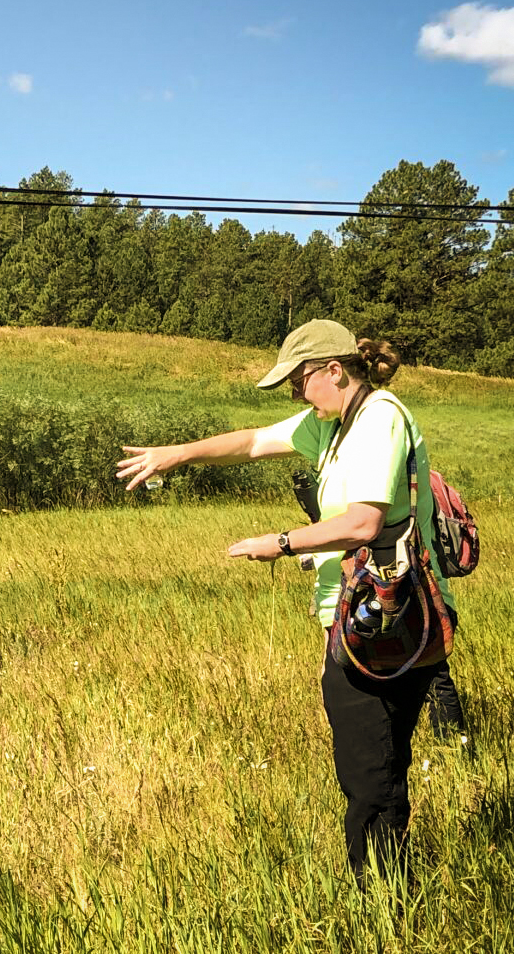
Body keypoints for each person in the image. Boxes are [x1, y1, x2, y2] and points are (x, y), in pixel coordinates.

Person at [117, 318, 457, 886]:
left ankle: (380, 897)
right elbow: (251, 441)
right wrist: (176, 454)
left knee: (368, 773)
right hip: (361, 620)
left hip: (385, 623)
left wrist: (280, 544)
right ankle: (393, 886)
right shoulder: (332, 424)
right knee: (381, 765)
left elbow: (364, 521)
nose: (295, 394)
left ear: (332, 370)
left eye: (298, 381)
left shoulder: (377, 420)